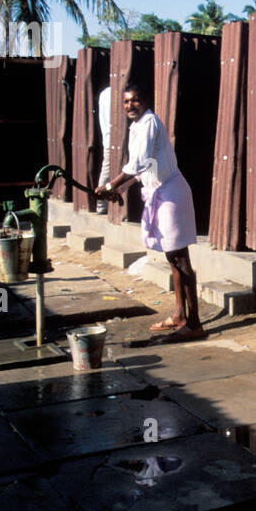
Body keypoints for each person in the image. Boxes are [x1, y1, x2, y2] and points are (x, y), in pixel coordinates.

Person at [95, 81, 204, 341]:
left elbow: (139, 162)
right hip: (160, 192)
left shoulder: (150, 122)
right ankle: (179, 314)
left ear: (146, 101)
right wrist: (122, 188)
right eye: (126, 101)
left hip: (171, 194)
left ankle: (195, 324)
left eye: (135, 100)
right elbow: (148, 166)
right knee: (172, 258)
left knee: (180, 259)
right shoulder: (138, 126)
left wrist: (111, 184)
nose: (130, 105)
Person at [95, 84, 112, 215]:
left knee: (106, 170)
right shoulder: (113, 93)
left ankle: (102, 205)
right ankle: (101, 205)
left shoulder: (103, 93)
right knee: (107, 170)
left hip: (107, 137)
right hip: (112, 138)